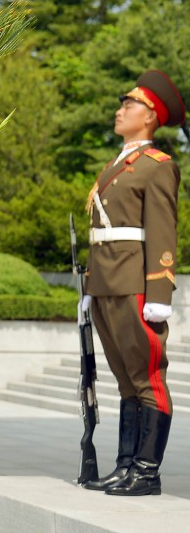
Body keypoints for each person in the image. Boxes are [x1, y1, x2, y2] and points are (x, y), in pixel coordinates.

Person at [82, 70, 186, 497]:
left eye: (129, 104)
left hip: (136, 285)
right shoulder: (115, 166)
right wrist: (90, 287)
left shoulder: (157, 167)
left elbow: (163, 233)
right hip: (107, 283)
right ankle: (126, 465)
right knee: (126, 379)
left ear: (150, 117)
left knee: (148, 379)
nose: (119, 109)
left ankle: (147, 471)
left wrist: (159, 293)